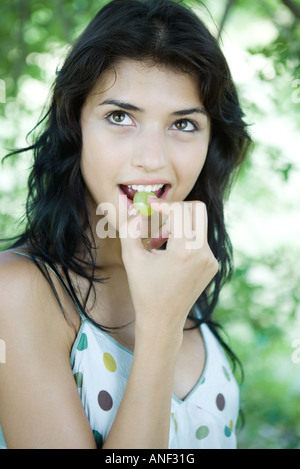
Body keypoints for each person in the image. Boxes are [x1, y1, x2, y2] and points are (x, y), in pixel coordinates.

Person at [0, 0, 252, 449]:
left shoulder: (181, 270)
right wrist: (160, 326)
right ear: (74, 124)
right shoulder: (17, 291)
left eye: (184, 124)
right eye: (120, 117)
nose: (152, 159)